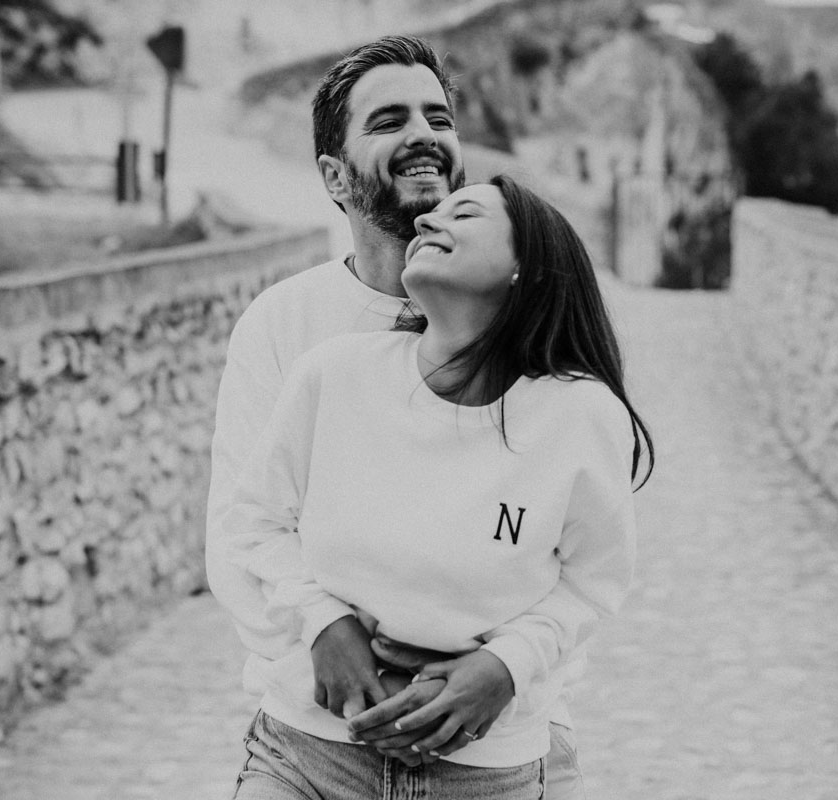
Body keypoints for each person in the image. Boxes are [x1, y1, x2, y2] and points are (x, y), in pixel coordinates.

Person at [205, 34, 594, 794]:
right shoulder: (285, 326)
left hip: (495, 759)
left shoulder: (534, 335)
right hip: (313, 754)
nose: (425, 134)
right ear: (334, 174)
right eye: (388, 121)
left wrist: (504, 671)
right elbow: (240, 535)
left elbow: (585, 565)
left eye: (437, 117)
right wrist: (326, 639)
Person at [222, 174, 653, 798]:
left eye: (466, 214)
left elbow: (594, 581)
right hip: (310, 755)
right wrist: (321, 622)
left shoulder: (581, 417)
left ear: (526, 270)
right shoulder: (333, 375)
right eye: (432, 215)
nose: (426, 222)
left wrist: (508, 667)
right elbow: (255, 519)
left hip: (486, 772)